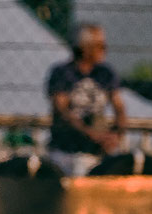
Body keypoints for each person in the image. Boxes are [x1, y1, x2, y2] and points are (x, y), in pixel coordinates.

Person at [46, 23, 127, 176]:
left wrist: (116, 134)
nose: (104, 50)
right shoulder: (63, 73)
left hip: (97, 151)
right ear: (84, 47)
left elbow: (119, 106)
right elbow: (62, 110)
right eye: (99, 45)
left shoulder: (105, 73)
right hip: (68, 150)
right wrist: (91, 134)